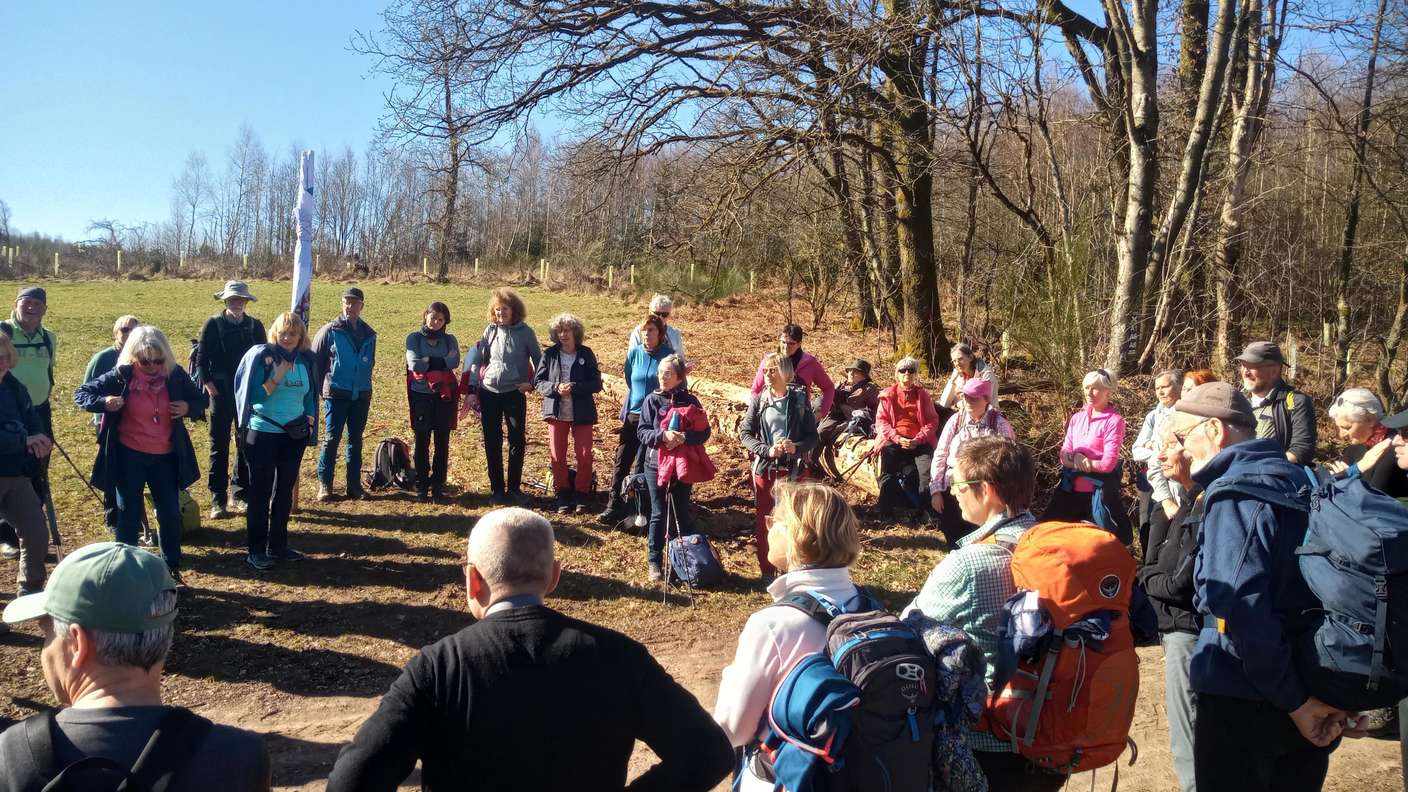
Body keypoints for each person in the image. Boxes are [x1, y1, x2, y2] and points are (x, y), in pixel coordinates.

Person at [326, 507, 733, 791]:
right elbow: (709, 753)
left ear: (473, 581)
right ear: (554, 577)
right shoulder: (620, 656)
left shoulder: (437, 669)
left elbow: (350, 781)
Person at [1171, 382, 1364, 792]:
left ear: (1214, 429)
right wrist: (1318, 698)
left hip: (1243, 698)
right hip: (1314, 687)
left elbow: (1239, 607)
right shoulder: (1306, 481)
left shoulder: (1234, 495)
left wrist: (1292, 702)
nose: (1180, 449)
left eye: (1181, 436)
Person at [0, 542, 271, 791]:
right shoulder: (240, 757)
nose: (45, 649)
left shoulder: (10, 759)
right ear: (165, 636)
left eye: (47, 634)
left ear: (78, 642)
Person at [902, 437, 1051, 790]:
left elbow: (909, 624)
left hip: (989, 743)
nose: (953, 492)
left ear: (986, 491)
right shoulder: (1049, 545)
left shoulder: (968, 564)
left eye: (958, 484)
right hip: (1050, 732)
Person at [713, 481, 865, 791]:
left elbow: (733, 730)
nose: (767, 527)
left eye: (775, 521)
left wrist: (730, 677)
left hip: (792, 779)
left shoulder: (773, 624)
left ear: (798, 535)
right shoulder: (870, 608)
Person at [75, 326, 207, 586]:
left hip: (165, 457)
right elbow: (81, 394)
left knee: (169, 513)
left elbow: (201, 400)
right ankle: (124, 571)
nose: (153, 366)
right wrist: (105, 402)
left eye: (158, 360)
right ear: (134, 356)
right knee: (128, 514)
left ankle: (171, 568)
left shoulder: (175, 374)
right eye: (146, 361)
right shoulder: (122, 376)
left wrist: (188, 407)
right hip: (129, 456)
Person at [1135, 423, 1202, 792]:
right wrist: (1152, 575)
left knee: (1189, 728)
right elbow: (1155, 562)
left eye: (1168, 447)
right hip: (1175, 625)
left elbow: (1177, 581)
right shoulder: (1180, 501)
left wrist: (1149, 581)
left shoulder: (1205, 500)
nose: (1158, 456)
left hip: (1187, 630)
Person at [234, 313, 319, 572]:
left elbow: (309, 394)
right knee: (260, 494)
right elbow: (255, 395)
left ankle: (278, 546)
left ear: (300, 336)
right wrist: (277, 376)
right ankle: (256, 551)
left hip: (293, 436)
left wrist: (310, 418)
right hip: (262, 434)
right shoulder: (265, 358)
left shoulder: (305, 361)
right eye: (283, 333)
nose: (287, 338)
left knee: (283, 492)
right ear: (275, 333)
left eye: (293, 333)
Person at [740, 351, 819, 580]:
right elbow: (745, 433)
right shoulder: (760, 400)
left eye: (772, 370)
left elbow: (812, 437)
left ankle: (792, 569)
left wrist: (796, 447)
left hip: (794, 472)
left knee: (796, 521)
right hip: (766, 471)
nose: (766, 374)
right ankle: (767, 571)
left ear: (785, 373)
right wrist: (766, 450)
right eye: (765, 370)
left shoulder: (799, 400)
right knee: (765, 520)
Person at [462, 287, 540, 504]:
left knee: (517, 440)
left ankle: (514, 488)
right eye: (497, 310)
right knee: (492, 440)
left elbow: (540, 361)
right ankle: (497, 489)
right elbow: (478, 360)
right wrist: (472, 389)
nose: (500, 314)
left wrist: (532, 384)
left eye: (504, 309)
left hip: (514, 392)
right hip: (489, 393)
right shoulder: (490, 330)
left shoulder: (526, 333)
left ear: (514, 310)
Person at [638, 354, 710, 581]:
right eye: (660, 372)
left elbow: (704, 432)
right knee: (659, 513)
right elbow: (642, 432)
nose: (662, 377)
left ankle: (684, 561)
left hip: (683, 465)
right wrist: (663, 435)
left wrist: (685, 438)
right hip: (655, 464)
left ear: (679, 377)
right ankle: (654, 562)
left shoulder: (691, 401)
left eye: (668, 373)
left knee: (680, 511)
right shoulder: (652, 400)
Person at [198, 281, 266, 519]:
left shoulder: (255, 326)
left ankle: (239, 494)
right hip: (220, 392)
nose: (236, 303)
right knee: (218, 446)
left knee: (245, 443)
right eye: (232, 299)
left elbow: (262, 357)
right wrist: (208, 385)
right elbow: (201, 359)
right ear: (225, 301)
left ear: (246, 302)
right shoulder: (213, 325)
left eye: (240, 299)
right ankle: (217, 499)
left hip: (246, 394)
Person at [1043, 368, 1133, 545]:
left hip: (1097, 496)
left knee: (1096, 546)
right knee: (1053, 535)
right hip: (1070, 490)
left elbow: (1108, 463)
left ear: (1108, 391)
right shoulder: (1077, 418)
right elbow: (1063, 455)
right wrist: (1076, 457)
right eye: (1086, 388)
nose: (1089, 393)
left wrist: (1081, 461)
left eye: (1095, 388)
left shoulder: (1114, 421)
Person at [598, 314, 673, 524]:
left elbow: (673, 382)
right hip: (633, 415)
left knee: (642, 464)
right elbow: (630, 379)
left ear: (660, 334)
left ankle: (638, 511)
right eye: (644, 331)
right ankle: (613, 505)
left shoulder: (668, 356)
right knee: (622, 460)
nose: (647, 335)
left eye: (652, 331)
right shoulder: (634, 354)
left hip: (655, 419)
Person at [0, 286, 56, 561]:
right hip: (8, 412)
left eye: (37, 303)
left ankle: (30, 527)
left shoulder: (49, 338)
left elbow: (49, 369)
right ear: (16, 304)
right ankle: (7, 537)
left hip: (38, 411)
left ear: (45, 309)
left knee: (37, 469)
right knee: (7, 469)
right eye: (26, 302)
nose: (32, 307)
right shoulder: (4, 333)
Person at [928, 378, 1015, 545]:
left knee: (980, 539)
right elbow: (941, 454)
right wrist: (936, 490)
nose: (968, 402)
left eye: (974, 398)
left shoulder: (999, 424)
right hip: (952, 489)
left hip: (983, 494)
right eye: (965, 397)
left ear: (986, 400)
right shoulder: (956, 421)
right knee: (953, 534)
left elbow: (1009, 465)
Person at [0, 333, 52, 604]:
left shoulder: (14, 387)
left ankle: (30, 592)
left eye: (5, 357)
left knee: (35, 532)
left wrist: (40, 439)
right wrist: (23, 440)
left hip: (16, 473)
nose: (1, 363)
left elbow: (33, 419)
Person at [313, 287, 377, 502]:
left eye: (354, 302)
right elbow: (316, 363)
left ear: (362, 305)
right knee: (332, 439)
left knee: (355, 440)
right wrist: (320, 390)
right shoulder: (330, 330)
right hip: (335, 393)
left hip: (361, 395)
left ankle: (353, 485)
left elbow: (370, 363)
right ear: (342, 304)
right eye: (346, 302)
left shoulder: (370, 334)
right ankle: (325, 484)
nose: (350, 306)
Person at [534, 312, 602, 514]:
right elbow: (538, 382)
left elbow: (596, 384)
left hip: (581, 412)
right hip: (556, 412)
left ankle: (582, 493)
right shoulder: (549, 354)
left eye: (567, 330)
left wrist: (574, 387)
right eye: (559, 331)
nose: (563, 334)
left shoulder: (586, 354)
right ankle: (562, 493)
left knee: (584, 455)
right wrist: (555, 388)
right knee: (558, 455)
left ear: (575, 332)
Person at [84, 315, 142, 533]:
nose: (129, 334)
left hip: (136, 425)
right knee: (110, 468)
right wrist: (102, 409)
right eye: (124, 329)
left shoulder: (141, 357)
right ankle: (111, 516)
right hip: (108, 423)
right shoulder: (103, 358)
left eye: (134, 330)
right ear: (115, 332)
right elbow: (87, 390)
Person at [405, 301, 461, 502]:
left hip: (444, 396)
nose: (435, 322)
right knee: (422, 441)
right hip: (421, 395)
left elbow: (454, 362)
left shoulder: (450, 340)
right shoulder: (414, 338)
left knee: (442, 442)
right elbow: (413, 363)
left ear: (445, 321)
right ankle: (421, 483)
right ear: (425, 316)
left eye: (440, 319)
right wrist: (440, 362)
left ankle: (438, 484)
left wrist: (427, 361)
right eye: (433, 317)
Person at [873, 356, 939, 522]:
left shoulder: (923, 395)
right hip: (895, 440)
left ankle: (926, 514)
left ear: (916, 374)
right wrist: (897, 438)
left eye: (911, 370)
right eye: (903, 370)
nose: (907, 374)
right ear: (897, 374)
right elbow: (882, 421)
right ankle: (885, 514)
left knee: (926, 473)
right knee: (888, 473)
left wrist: (919, 438)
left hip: (919, 442)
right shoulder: (888, 395)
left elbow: (932, 420)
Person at [1236, 341, 1316, 464]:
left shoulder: (1295, 401)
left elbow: (1301, 451)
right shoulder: (1236, 400)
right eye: (1243, 365)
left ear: (1274, 371)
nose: (1245, 372)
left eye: (1252, 366)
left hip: (1273, 478)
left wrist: (1261, 468)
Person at [1132, 369, 1184, 554]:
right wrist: (1157, 452)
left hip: (1178, 482)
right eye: (1157, 388)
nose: (1160, 392)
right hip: (1153, 480)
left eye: (1165, 387)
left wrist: (1152, 445)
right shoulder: (1153, 416)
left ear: (1179, 386)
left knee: (1176, 533)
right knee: (1149, 530)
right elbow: (1136, 451)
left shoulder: (1187, 414)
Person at [1325, 388, 1408, 499]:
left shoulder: (1397, 449)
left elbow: (1373, 498)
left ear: (1370, 420)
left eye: (1347, 427)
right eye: (1339, 427)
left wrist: (1350, 474)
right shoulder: (1356, 444)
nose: (1341, 435)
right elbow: (1330, 484)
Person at [750, 324, 835, 419]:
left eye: (791, 343)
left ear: (799, 344)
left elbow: (829, 387)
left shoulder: (810, 363)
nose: (786, 347)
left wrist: (821, 413)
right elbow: (755, 390)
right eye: (783, 342)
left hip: (799, 419)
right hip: (770, 417)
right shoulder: (768, 361)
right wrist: (756, 412)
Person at [816, 357, 880, 451]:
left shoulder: (869, 389)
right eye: (850, 371)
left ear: (864, 376)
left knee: (821, 432)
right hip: (834, 415)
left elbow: (874, 411)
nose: (851, 374)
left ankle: (812, 461)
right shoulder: (841, 384)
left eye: (856, 372)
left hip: (854, 420)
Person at [628, 293, 687, 364]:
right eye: (657, 313)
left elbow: (680, 359)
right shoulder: (639, 331)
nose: (660, 318)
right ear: (650, 312)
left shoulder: (675, 333)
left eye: (664, 314)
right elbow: (632, 358)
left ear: (669, 315)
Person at [937, 342, 998, 411]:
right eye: (954, 361)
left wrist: (958, 404)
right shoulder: (958, 375)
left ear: (971, 357)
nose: (957, 364)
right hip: (963, 415)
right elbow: (944, 404)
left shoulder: (986, 374)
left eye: (960, 359)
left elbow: (981, 404)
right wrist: (952, 381)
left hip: (986, 416)